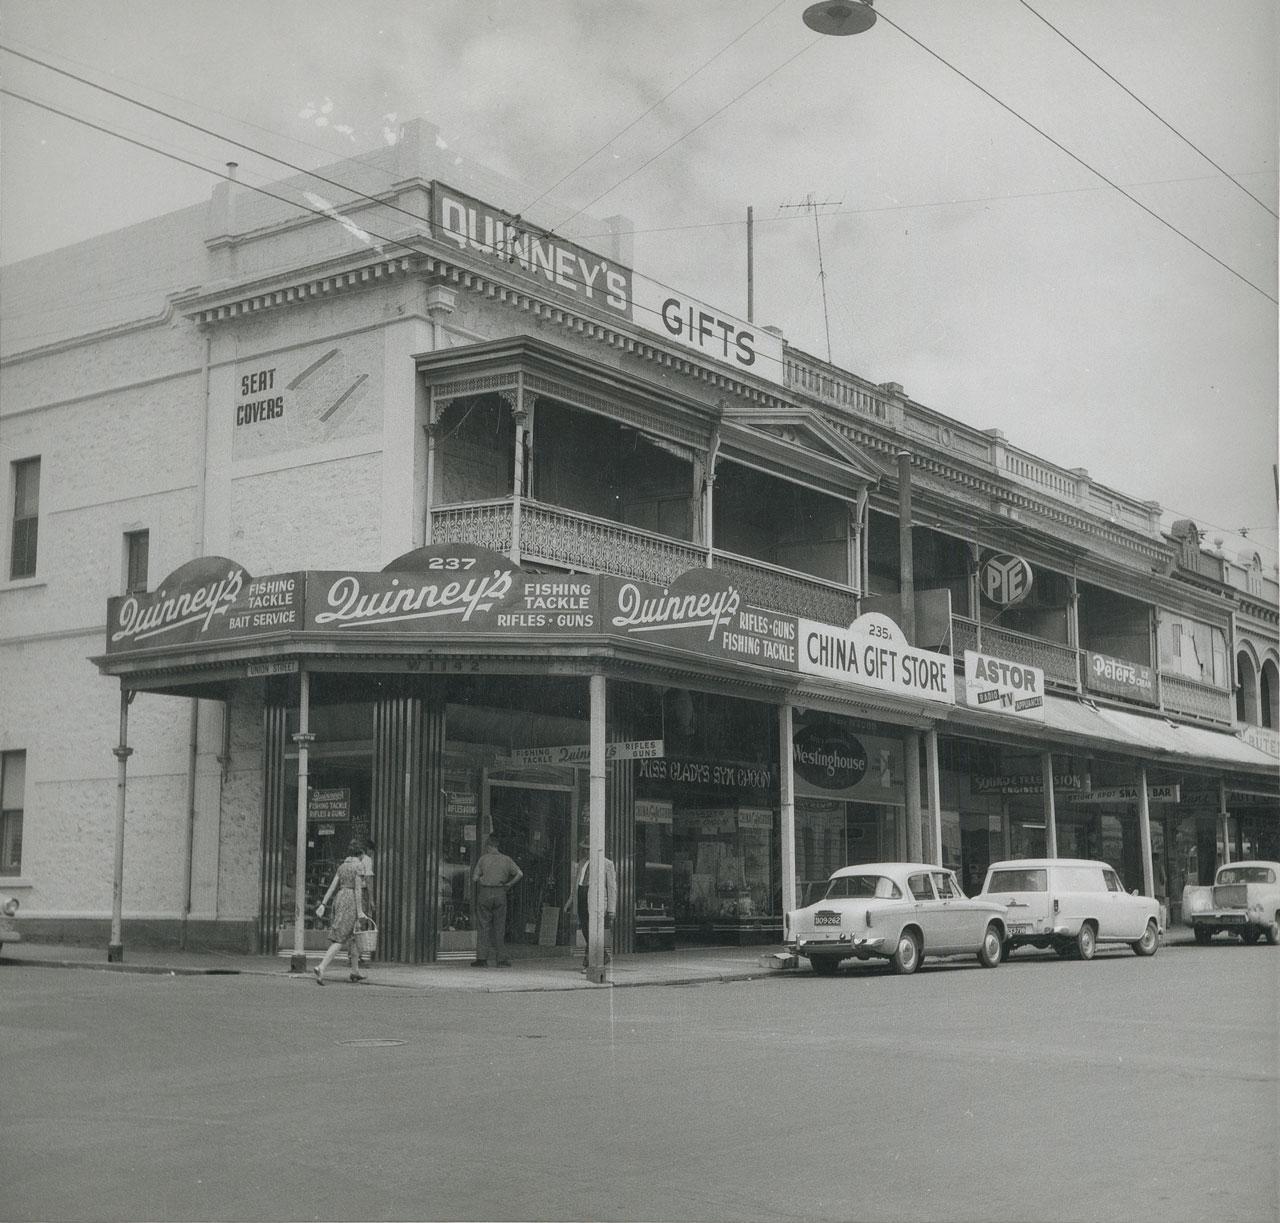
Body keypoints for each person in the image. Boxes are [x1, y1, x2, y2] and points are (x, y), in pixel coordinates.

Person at [313, 838, 369, 984]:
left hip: (340, 898)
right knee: (341, 938)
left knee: (354, 936)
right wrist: (360, 911)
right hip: (350, 900)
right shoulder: (359, 866)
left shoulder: (342, 866)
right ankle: (321, 967)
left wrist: (324, 903)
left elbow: (332, 886)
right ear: (361, 853)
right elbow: (358, 890)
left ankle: (355, 971)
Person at [565, 834, 617, 969]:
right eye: (585, 849)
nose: (586, 852)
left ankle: (590, 960)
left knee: (592, 928)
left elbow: (612, 888)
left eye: (589, 849)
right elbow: (576, 883)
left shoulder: (607, 864)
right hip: (582, 896)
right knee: (585, 928)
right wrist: (570, 901)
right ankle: (601, 955)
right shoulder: (582, 863)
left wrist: (611, 909)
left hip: (596, 898)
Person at [470, 833, 523, 967]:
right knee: (499, 926)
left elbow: (474, 878)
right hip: (500, 892)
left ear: (488, 846)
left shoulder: (483, 859)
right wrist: (509, 884)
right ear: (497, 846)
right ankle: (501, 959)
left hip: (485, 892)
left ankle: (482, 959)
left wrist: (483, 879)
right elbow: (520, 873)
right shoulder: (506, 859)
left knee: (483, 925)